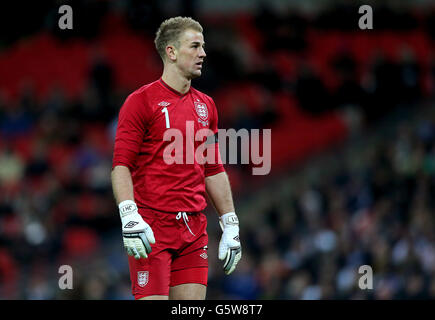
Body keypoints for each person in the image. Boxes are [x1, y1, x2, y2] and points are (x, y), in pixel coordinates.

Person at [111, 16, 241, 300]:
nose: (203, 53)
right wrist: (128, 215)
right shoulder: (140, 102)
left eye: (203, 46)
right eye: (194, 46)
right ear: (171, 52)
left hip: (194, 230)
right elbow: (121, 166)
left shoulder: (206, 106)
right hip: (152, 230)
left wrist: (230, 223)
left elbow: (213, 168)